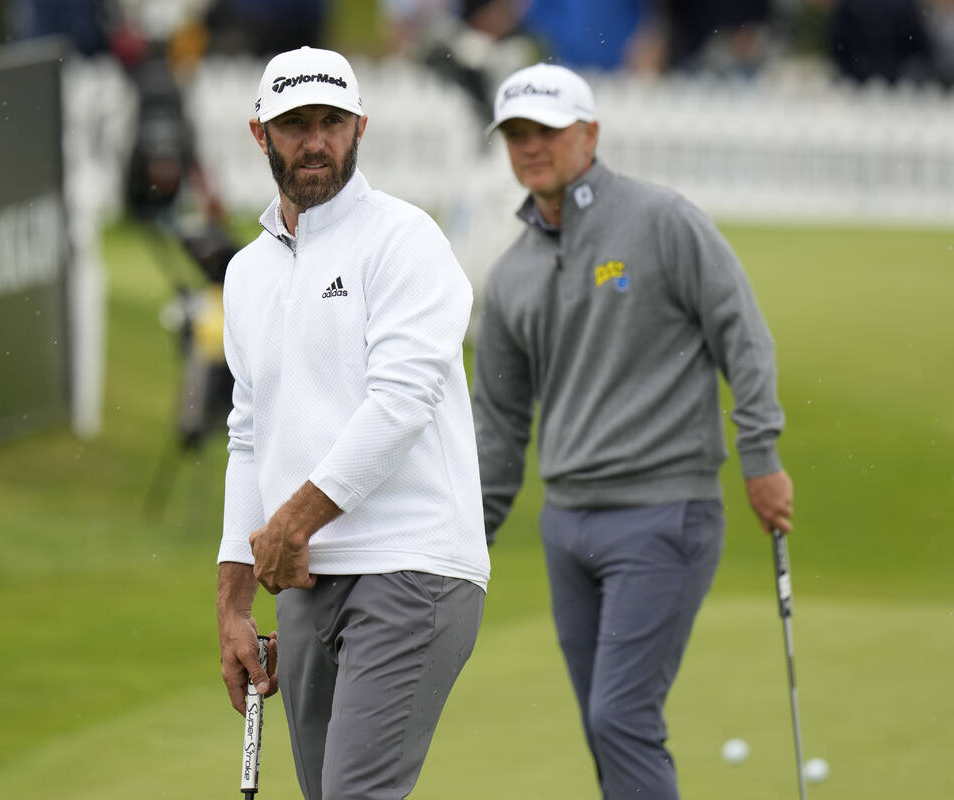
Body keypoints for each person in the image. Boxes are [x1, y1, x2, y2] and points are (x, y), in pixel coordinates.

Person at [472, 63, 794, 799]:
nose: (531, 146)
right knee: (602, 724)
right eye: (517, 133)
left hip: (662, 514)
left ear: (589, 134)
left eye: (547, 130)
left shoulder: (660, 221)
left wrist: (761, 455)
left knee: (620, 715)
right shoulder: (512, 272)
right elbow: (497, 420)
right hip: (567, 526)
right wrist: (471, 536)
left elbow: (742, 335)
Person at [215, 46, 490, 800]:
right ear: (259, 133)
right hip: (305, 579)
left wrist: (291, 523)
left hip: (413, 562)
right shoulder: (246, 273)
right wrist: (234, 602)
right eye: (294, 123)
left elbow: (401, 404)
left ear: (359, 126)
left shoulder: (405, 240)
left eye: (331, 121)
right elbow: (249, 434)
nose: (314, 141)